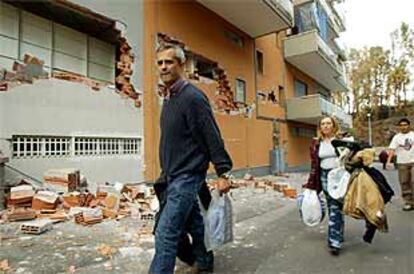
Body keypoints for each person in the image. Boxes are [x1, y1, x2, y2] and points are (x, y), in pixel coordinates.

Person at [149, 44, 233, 274]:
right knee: (196, 224)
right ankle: (205, 263)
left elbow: (211, 135)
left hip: (187, 176)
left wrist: (223, 172)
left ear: (182, 65)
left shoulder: (193, 98)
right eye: (160, 63)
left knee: (165, 234)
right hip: (171, 176)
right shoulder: (170, 98)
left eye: (169, 62)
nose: (163, 67)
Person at [303, 116, 344, 256]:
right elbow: (314, 163)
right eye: (323, 124)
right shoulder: (316, 143)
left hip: (339, 176)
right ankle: (337, 234)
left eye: (328, 123)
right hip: (324, 176)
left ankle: (334, 241)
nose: (326, 126)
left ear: (333, 126)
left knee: (336, 206)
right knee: (333, 205)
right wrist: (311, 182)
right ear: (320, 127)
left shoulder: (341, 141)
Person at [386, 118, 414, 211]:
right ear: (399, 127)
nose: (403, 127)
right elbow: (392, 149)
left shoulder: (413, 135)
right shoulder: (397, 137)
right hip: (402, 163)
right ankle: (408, 202)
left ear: (409, 126)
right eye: (401, 125)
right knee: (404, 182)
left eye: (405, 125)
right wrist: (388, 161)